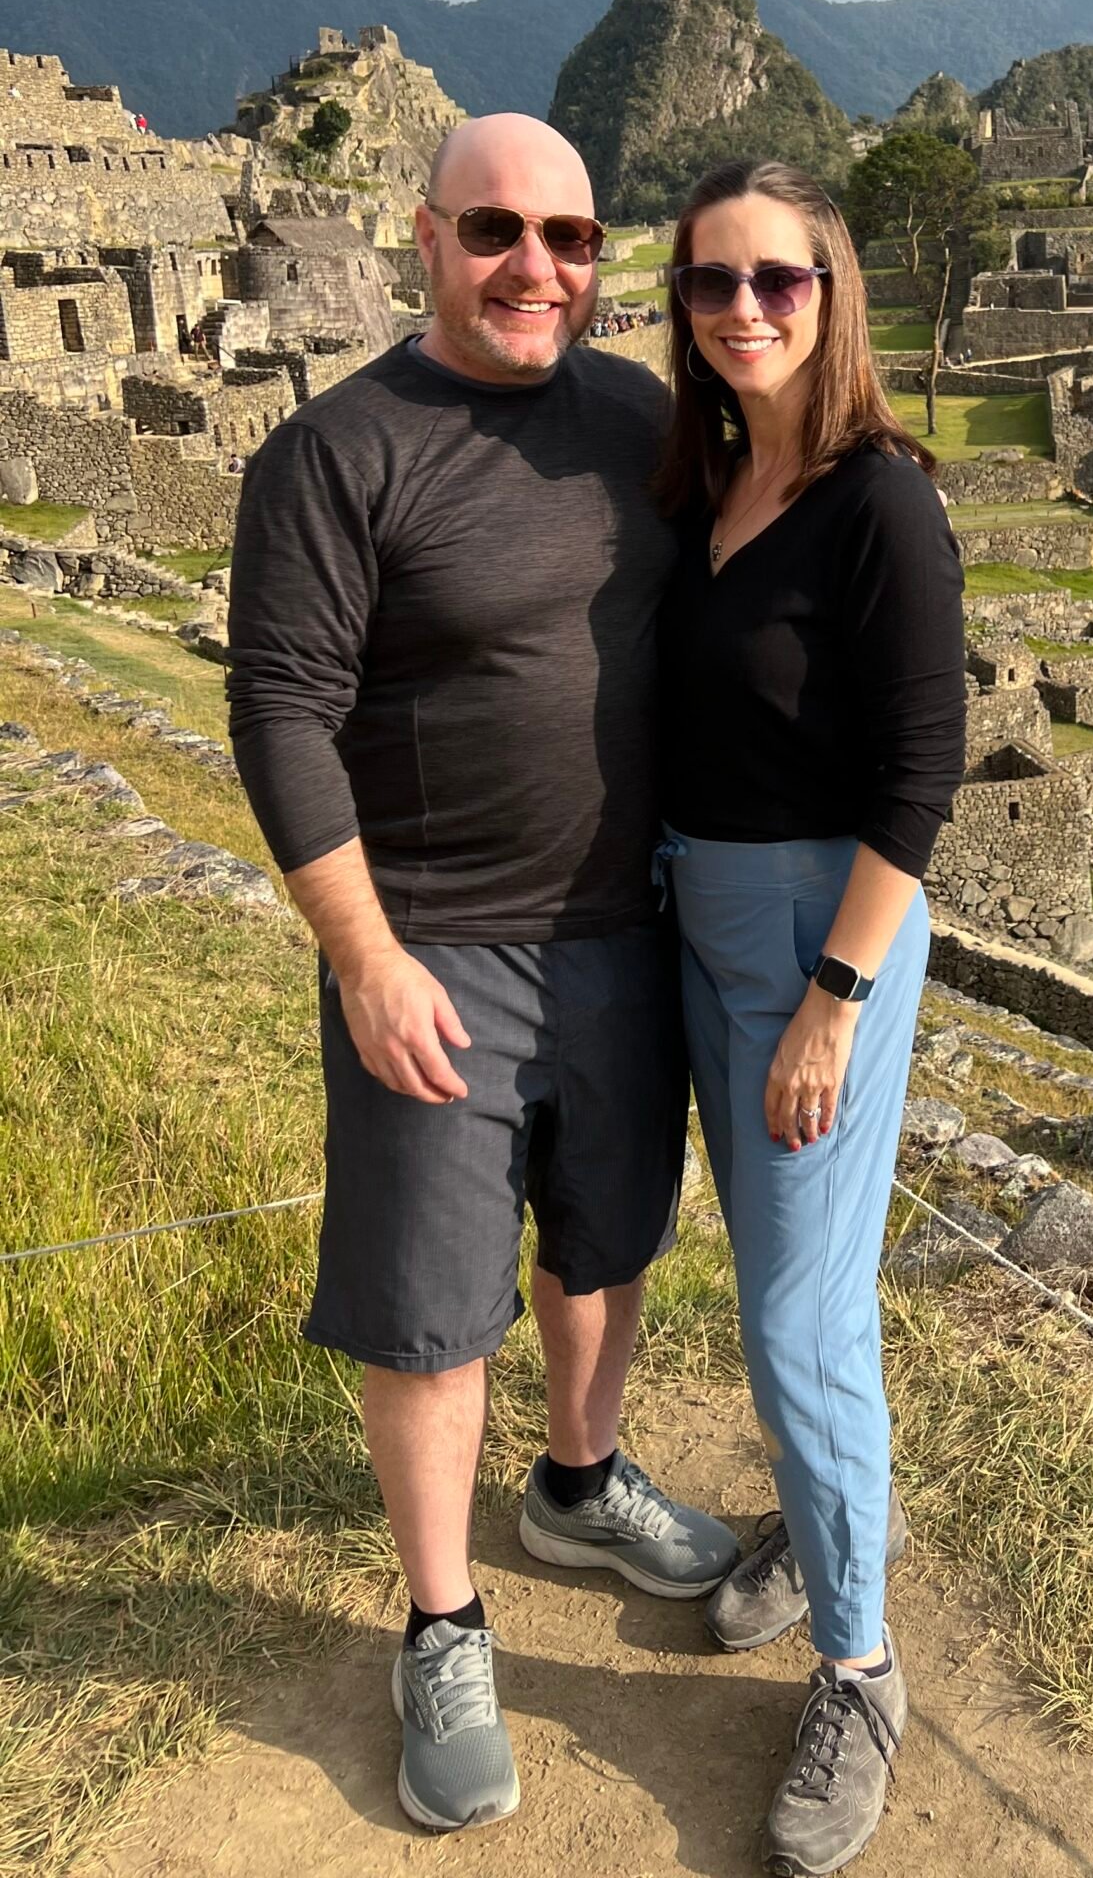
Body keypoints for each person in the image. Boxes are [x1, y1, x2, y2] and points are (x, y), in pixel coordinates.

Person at [227, 115, 737, 1835]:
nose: (539, 269)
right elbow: (282, 708)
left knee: (606, 1238)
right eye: (499, 231)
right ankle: (445, 1620)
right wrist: (361, 957)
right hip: (433, 943)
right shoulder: (336, 452)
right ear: (424, 238)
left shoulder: (642, 427)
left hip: (621, 928)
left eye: (576, 239)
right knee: (437, 1305)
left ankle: (580, 1485)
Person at [653, 158, 965, 1877]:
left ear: (833, 295)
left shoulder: (877, 505)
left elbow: (920, 780)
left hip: (815, 939)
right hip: (696, 919)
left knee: (799, 1309)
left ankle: (861, 1667)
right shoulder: (703, 486)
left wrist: (834, 1001)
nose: (746, 310)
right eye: (712, 285)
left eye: (780, 280)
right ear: (683, 310)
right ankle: (821, 1524)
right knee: (780, 1290)